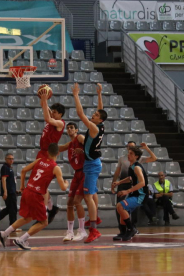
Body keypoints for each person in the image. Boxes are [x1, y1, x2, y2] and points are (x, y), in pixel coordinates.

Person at [0, 143, 69, 250]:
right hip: (36, 194)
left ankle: (4, 234)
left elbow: (23, 170)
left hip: (27, 191)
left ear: (47, 152)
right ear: (58, 153)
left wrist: (22, 186)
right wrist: (67, 183)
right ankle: (22, 239)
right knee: (44, 222)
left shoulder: (39, 160)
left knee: (27, 218)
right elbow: (63, 188)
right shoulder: (56, 167)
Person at [72, 82, 106, 243]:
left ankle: (94, 229)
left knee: (87, 197)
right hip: (92, 161)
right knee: (92, 193)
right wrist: (99, 95)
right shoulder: (101, 124)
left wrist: (76, 95)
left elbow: (80, 113)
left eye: (95, 115)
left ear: (99, 120)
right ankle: (96, 218)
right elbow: (102, 111)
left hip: (92, 165)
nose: (93, 115)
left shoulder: (94, 128)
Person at [112, 141, 157, 240]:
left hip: (141, 195)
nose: (129, 155)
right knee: (123, 209)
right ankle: (123, 233)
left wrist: (127, 191)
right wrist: (119, 182)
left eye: (131, 153)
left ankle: (131, 229)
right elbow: (130, 178)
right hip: (135, 193)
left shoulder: (136, 167)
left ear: (137, 156)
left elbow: (142, 183)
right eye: (129, 153)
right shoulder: (132, 166)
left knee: (120, 206)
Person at [37, 88, 66, 224]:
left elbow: (47, 117)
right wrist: (44, 100)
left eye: (55, 112)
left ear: (60, 114)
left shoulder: (60, 123)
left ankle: (45, 211)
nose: (52, 113)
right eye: (53, 111)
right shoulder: (54, 118)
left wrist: (44, 100)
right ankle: (51, 207)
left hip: (48, 154)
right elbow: (47, 110)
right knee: (40, 183)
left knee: (42, 184)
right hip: (42, 151)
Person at [58, 122, 87, 241]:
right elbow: (56, 148)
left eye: (72, 128)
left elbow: (91, 147)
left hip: (85, 172)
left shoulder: (80, 138)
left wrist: (84, 151)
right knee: (69, 202)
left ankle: (82, 230)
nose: (69, 129)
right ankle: (69, 232)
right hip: (77, 174)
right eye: (68, 128)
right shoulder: (70, 144)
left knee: (77, 201)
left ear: (76, 130)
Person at [0, 153, 19, 230]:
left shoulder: (10, 168)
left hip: (12, 192)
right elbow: (3, 180)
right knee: (13, 210)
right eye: (9, 159)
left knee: (10, 209)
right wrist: (5, 192)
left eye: (12, 159)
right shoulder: (5, 168)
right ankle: (13, 227)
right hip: (9, 193)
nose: (11, 160)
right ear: (5, 159)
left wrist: (15, 190)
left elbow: (10, 181)